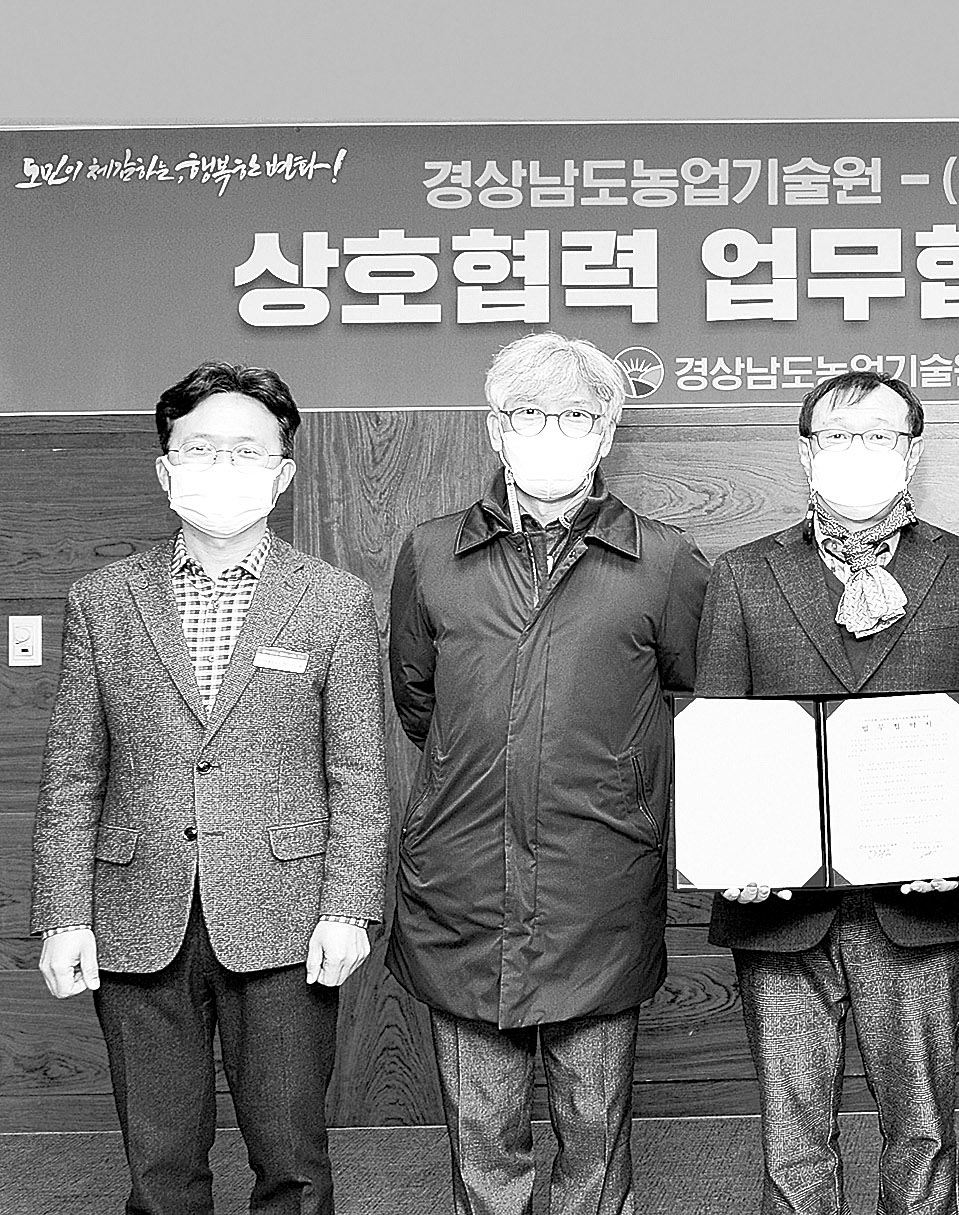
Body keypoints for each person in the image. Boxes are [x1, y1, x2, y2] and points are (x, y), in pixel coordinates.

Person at [31, 361, 389, 1215]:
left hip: (287, 914)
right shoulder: (103, 599)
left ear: (283, 473)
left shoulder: (334, 601)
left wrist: (349, 906)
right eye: (200, 449)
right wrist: (62, 913)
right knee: (159, 1168)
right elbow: (74, 770)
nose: (222, 466)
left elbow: (358, 772)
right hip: (135, 911)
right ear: (166, 469)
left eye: (247, 450)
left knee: (293, 1159)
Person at [387, 333, 709, 1215]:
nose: (550, 433)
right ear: (496, 428)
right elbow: (418, 703)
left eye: (575, 416)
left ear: (606, 434)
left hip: (598, 879)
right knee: (482, 1136)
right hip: (462, 880)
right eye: (529, 413)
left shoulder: (665, 561)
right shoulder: (430, 553)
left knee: (594, 1133)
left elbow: (695, 700)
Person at [697, 370, 959, 1215]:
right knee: (794, 1138)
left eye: (880, 434)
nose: (858, 451)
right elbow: (722, 735)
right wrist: (732, 852)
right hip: (779, 905)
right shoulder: (742, 573)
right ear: (806, 454)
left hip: (920, 898)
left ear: (912, 452)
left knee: (922, 1130)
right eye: (838, 435)